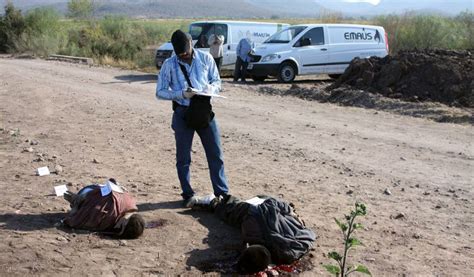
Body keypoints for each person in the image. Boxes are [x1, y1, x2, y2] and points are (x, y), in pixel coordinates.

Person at [156, 30, 230, 207]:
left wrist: (208, 89)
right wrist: (181, 94)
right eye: (180, 53)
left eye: (186, 51)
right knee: (183, 158)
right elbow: (160, 92)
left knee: (216, 154)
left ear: (192, 42)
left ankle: (222, 194)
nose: (184, 55)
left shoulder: (206, 59)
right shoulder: (169, 64)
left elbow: (217, 82)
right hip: (182, 113)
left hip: (204, 111)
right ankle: (188, 195)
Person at [190, 194, 316, 274]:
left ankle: (214, 201)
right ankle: (214, 201)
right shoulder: (289, 251)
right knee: (234, 211)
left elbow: (309, 235)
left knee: (233, 212)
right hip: (265, 204)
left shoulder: (293, 249)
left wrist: (293, 216)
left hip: (272, 204)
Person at [62, 178, 145, 239]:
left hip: (93, 188)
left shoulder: (131, 203)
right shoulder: (108, 218)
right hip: (86, 193)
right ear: (124, 223)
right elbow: (74, 221)